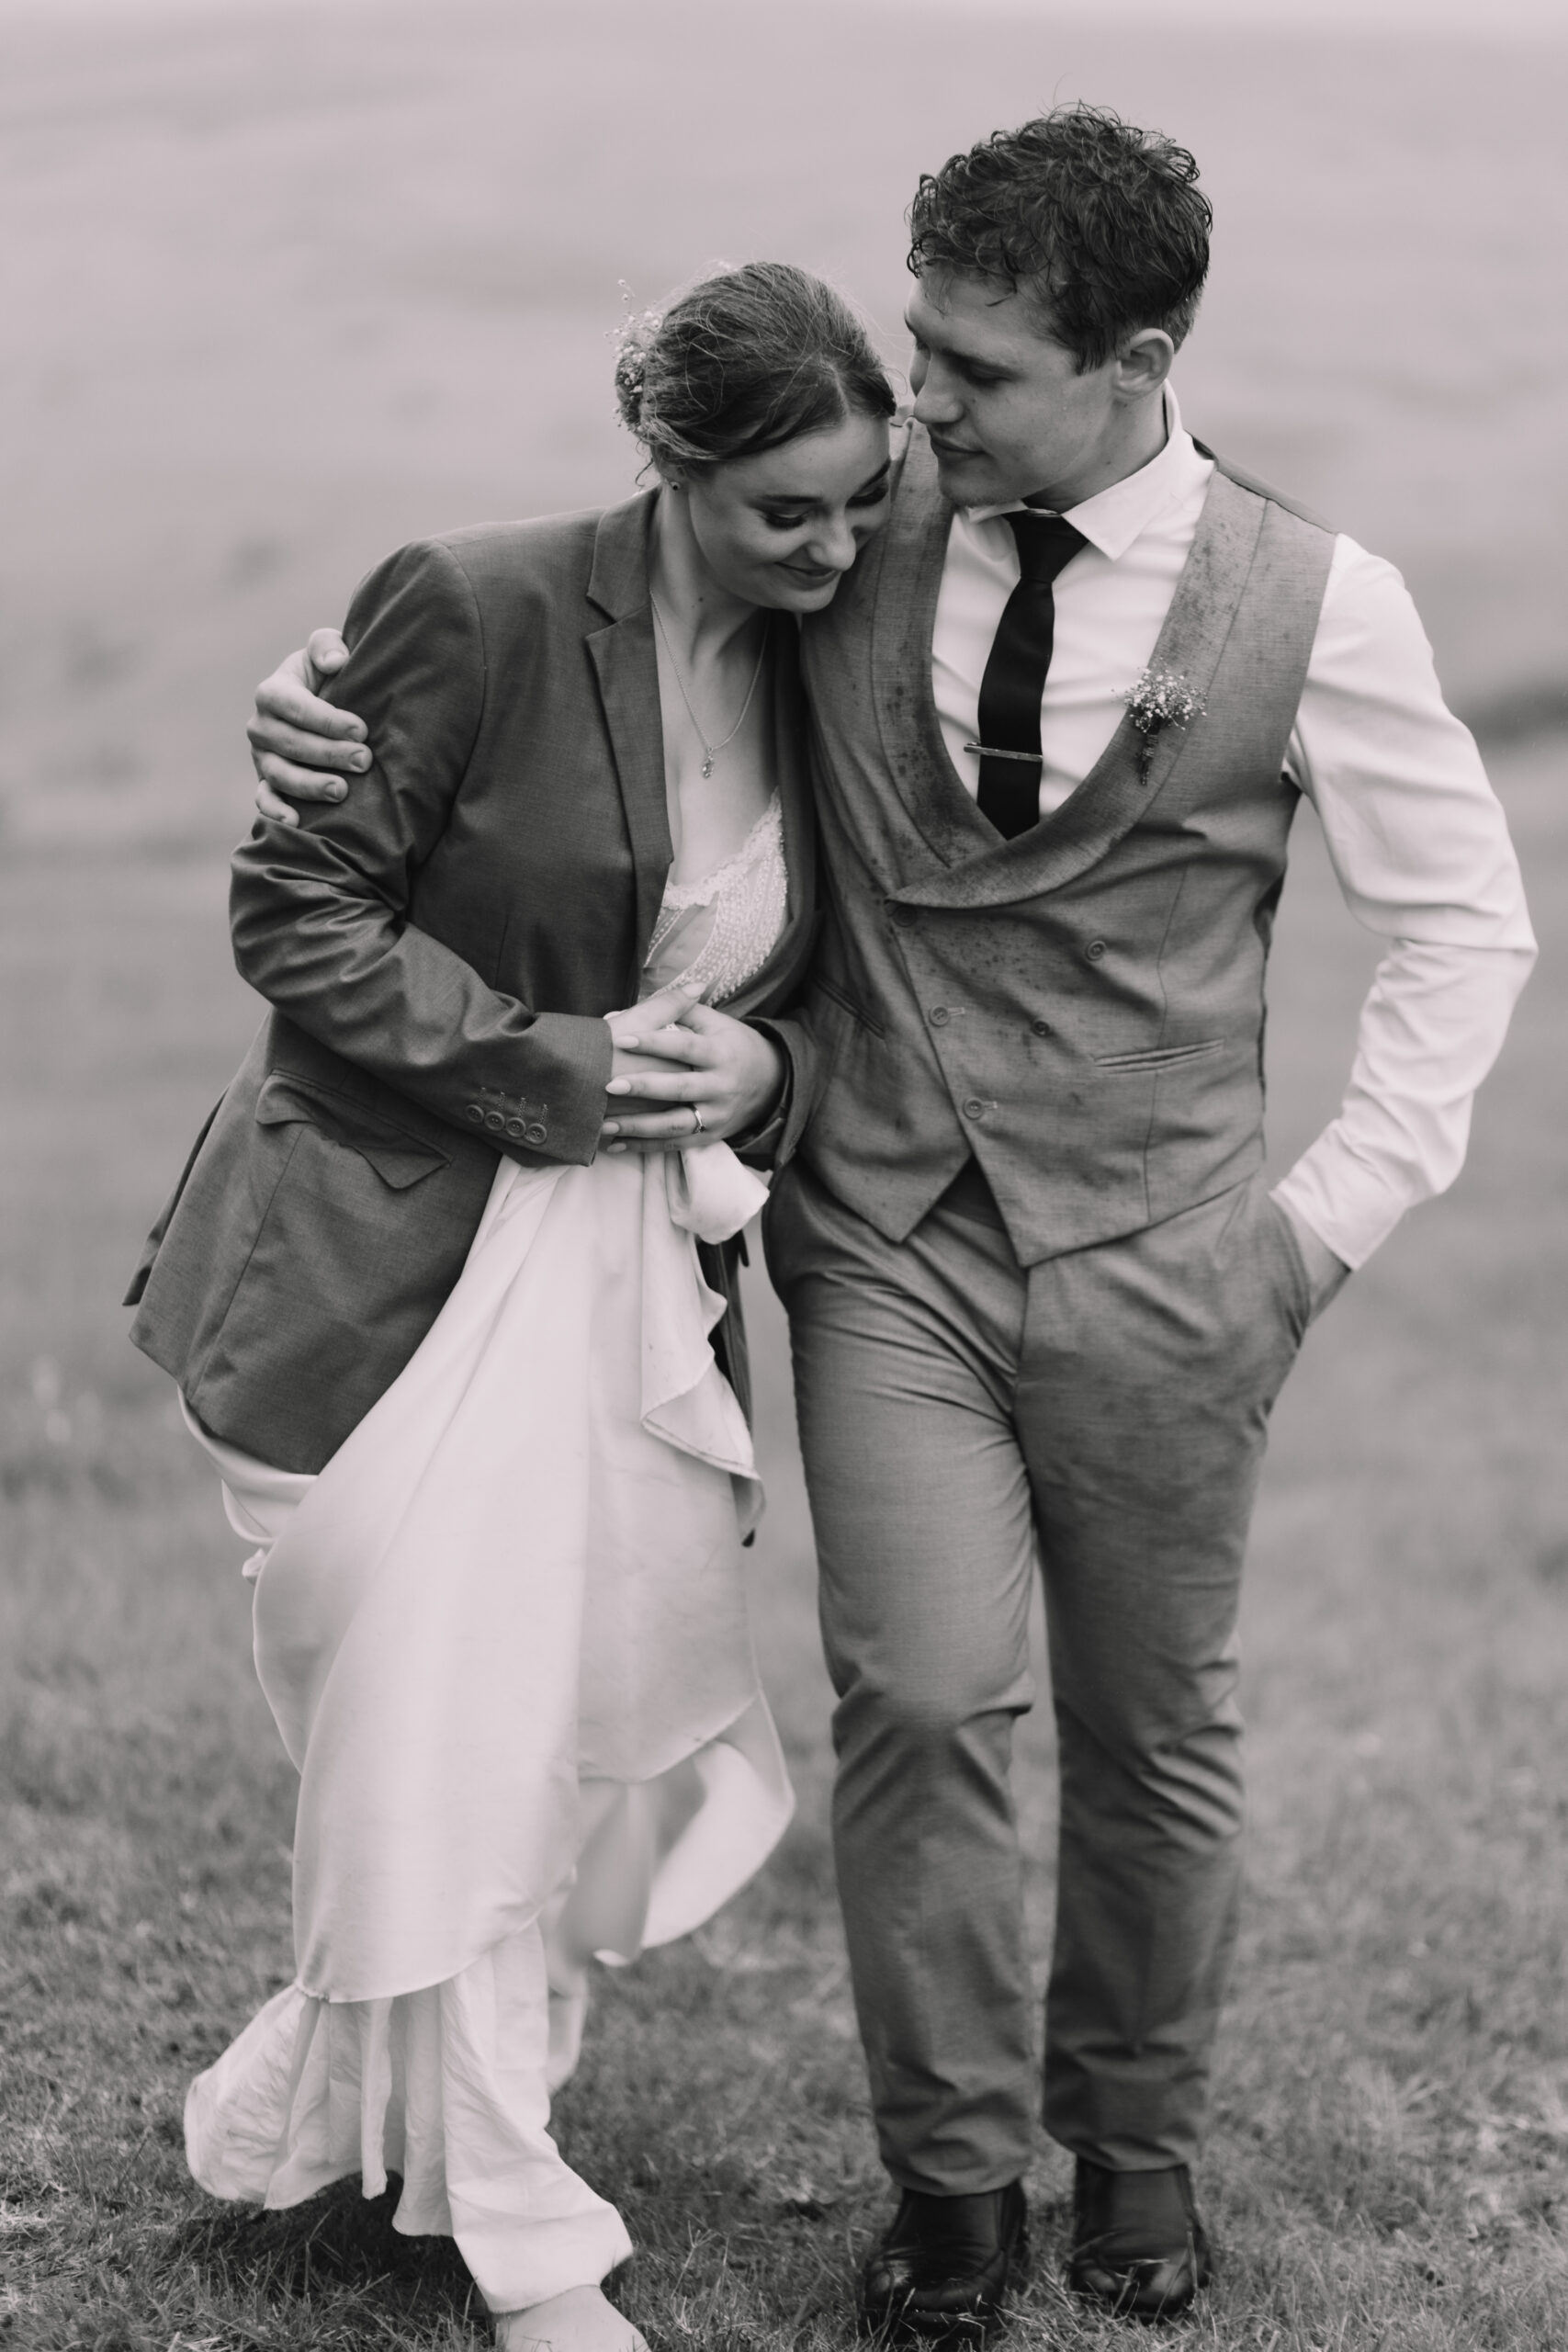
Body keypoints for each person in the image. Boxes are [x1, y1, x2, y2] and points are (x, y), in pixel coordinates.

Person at [248, 106, 1535, 2346]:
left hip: (1167, 1259)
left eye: (972, 366)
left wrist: (1313, 1231)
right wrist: (311, 694)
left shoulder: (1316, 600)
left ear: (1132, 360)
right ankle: (951, 2193)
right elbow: (614, 614)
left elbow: (1463, 933)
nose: (919, 401)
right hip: (885, 1236)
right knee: (923, 1699)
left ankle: (1132, 2161)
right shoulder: (849, 529)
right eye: (915, 345)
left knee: (1152, 1726)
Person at [126, 262, 899, 2352]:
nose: (834, 548)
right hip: (369, 1272)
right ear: (669, 469)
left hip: (634, 1298)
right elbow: (294, 908)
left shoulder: (850, 653)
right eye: (783, 515)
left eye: (860, 499)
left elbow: (842, 983)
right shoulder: (472, 605)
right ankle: (512, 2228)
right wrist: (557, 1076)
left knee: (518, 1746)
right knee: (436, 1735)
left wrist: (767, 1074)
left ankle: (324, 2119)